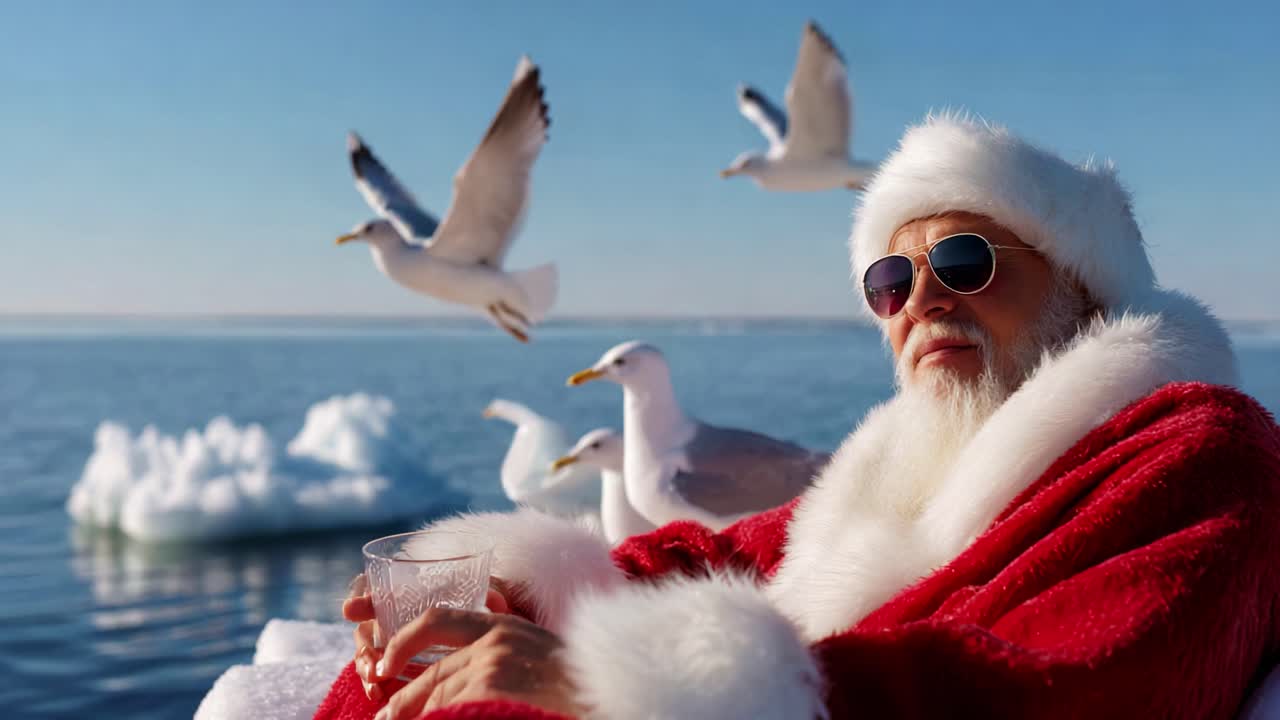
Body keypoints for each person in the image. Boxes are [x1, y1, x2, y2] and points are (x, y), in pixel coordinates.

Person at [322, 114, 1280, 720]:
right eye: (890, 282)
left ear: (1084, 288)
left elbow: (1104, 681)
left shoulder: (1199, 445)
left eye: (963, 266)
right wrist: (516, 589)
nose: (921, 304)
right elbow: (731, 554)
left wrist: (624, 691)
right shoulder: (906, 463)